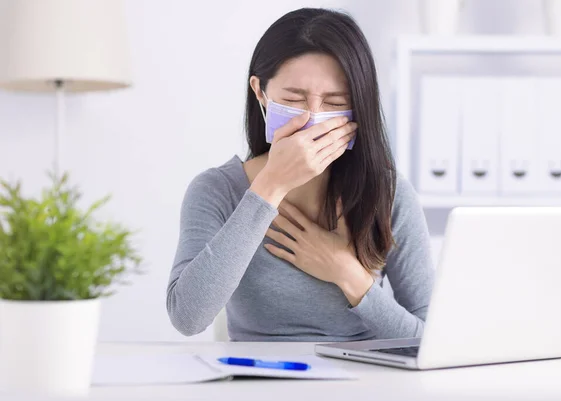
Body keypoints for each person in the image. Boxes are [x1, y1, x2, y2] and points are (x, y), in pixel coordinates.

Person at [166, 8, 434, 341]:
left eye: (335, 102)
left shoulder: (388, 194)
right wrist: (269, 187)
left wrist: (346, 273)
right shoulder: (216, 190)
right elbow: (187, 317)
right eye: (294, 98)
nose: (312, 117)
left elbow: (429, 341)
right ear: (261, 93)